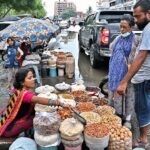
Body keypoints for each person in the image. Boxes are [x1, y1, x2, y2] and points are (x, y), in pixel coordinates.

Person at [117, 0, 150, 148]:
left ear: (148, 14)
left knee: (141, 108)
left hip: (143, 77)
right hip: (145, 76)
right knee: (145, 106)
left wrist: (124, 81)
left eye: (138, 17)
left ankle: (143, 139)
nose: (136, 20)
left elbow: (141, 55)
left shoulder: (148, 29)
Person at [0, 68, 69, 138]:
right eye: (30, 78)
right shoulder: (25, 94)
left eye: (33, 77)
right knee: (38, 119)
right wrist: (59, 103)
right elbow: (39, 100)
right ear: (22, 82)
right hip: (8, 127)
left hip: (5, 117)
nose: (33, 79)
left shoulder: (16, 89)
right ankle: (30, 135)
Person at [108, 14, 140, 144]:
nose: (122, 29)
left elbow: (139, 58)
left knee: (128, 97)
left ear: (131, 27)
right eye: (120, 27)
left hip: (127, 75)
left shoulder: (136, 40)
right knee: (115, 96)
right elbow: (111, 49)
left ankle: (127, 119)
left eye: (125, 27)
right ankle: (116, 116)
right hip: (115, 74)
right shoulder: (117, 39)